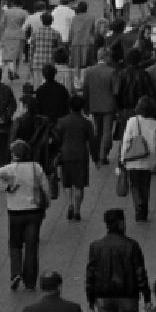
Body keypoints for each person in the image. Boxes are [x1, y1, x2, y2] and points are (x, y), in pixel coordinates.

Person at [0, 138, 51, 292]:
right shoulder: (37, 168)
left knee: (15, 243)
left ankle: (15, 273)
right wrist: (46, 204)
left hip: (15, 211)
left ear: (14, 154)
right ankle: (30, 281)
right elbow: (46, 189)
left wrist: (7, 188)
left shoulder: (10, 168)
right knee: (32, 245)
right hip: (34, 211)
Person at [120, 95, 156, 223]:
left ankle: (138, 207)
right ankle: (144, 210)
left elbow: (126, 141)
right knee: (145, 185)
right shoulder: (155, 124)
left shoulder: (131, 121)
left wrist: (123, 157)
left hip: (133, 158)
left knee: (134, 185)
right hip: (148, 159)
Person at [54, 94, 98, 222]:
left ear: (69, 107)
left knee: (67, 183)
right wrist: (96, 158)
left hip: (66, 154)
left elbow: (57, 139)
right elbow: (92, 141)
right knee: (79, 185)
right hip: (81, 156)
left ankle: (70, 204)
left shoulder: (62, 121)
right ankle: (78, 211)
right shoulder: (86, 123)